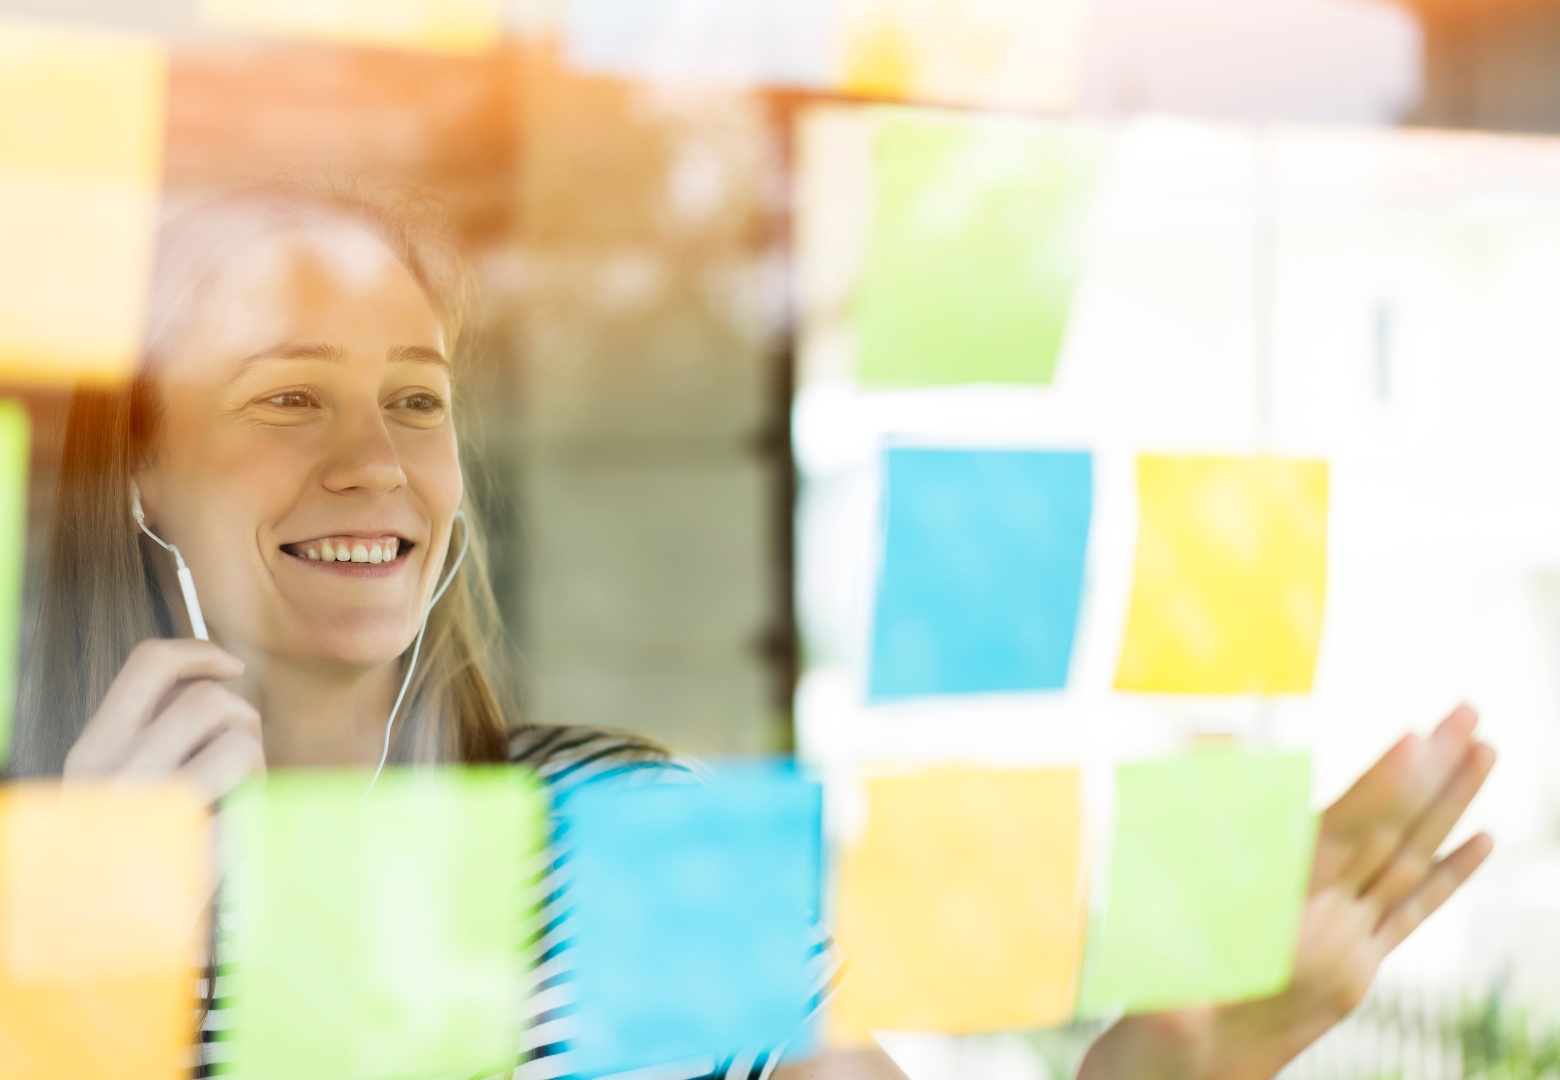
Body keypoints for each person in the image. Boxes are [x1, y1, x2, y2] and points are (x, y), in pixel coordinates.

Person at [11, 182, 1495, 1080]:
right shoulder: (44, 921)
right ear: (139, 466)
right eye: (286, 396)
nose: (375, 464)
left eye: (417, 398)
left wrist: (1183, 1063)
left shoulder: (631, 838)